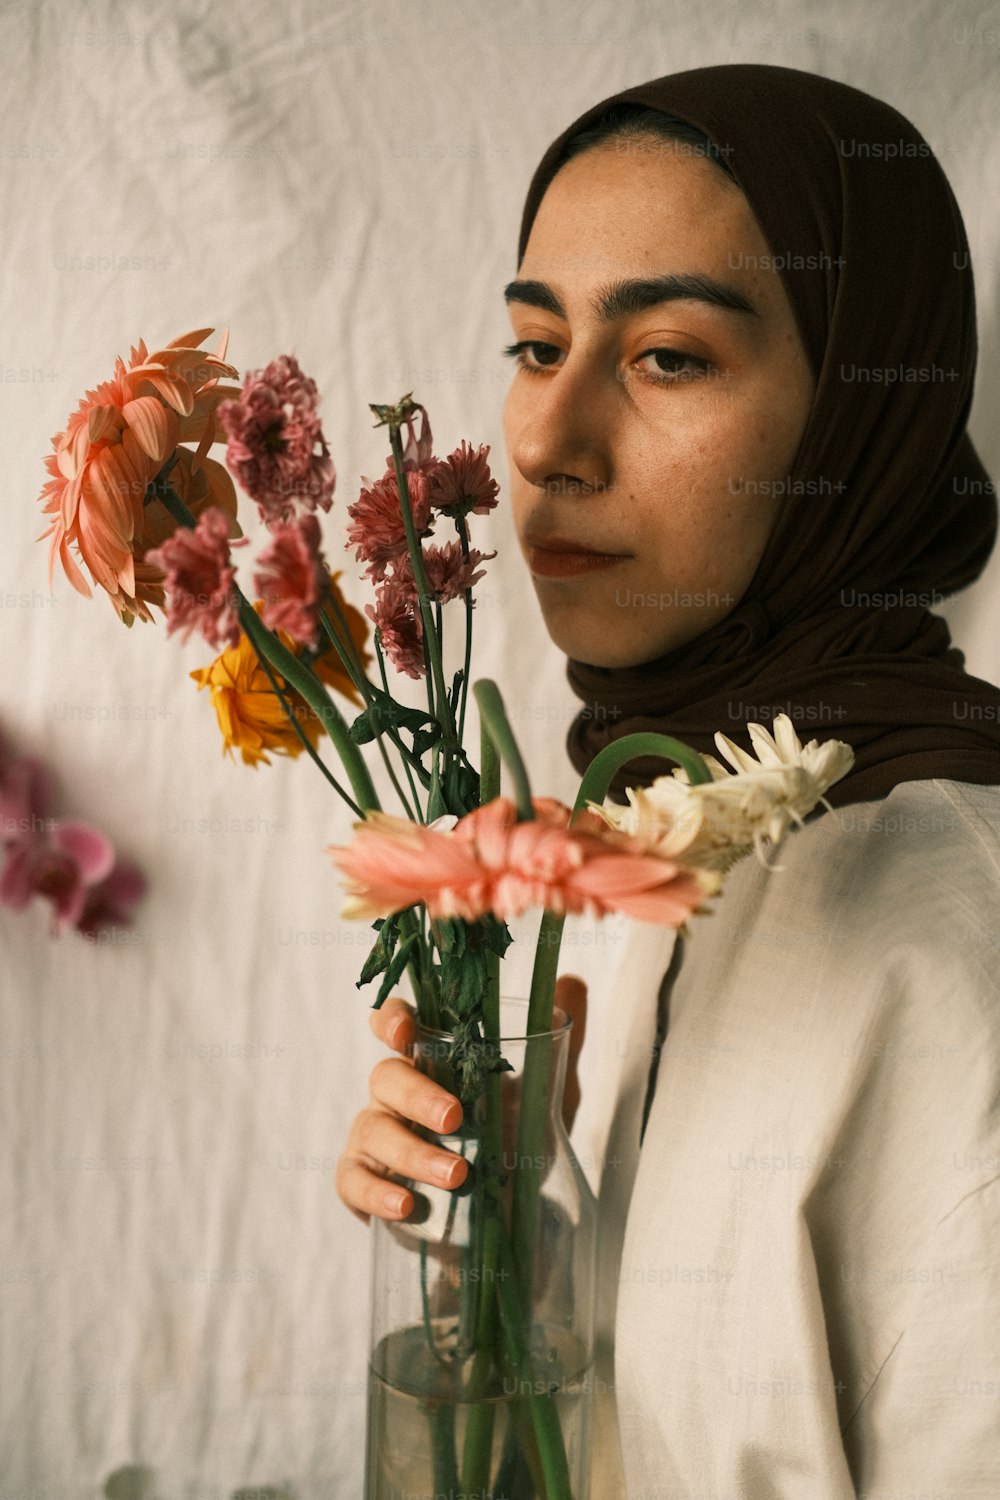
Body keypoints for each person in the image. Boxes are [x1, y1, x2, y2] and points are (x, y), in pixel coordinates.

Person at [337, 64, 1000, 1497]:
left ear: (862, 415)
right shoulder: (657, 837)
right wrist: (513, 1220)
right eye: (534, 343)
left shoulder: (960, 949)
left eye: (670, 357)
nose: (542, 442)